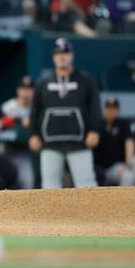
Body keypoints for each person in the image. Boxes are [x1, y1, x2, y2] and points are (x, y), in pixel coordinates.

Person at [29, 38, 101, 189]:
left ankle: (93, 213)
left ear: (72, 55)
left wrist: (94, 130)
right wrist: (33, 134)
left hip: (80, 142)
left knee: (87, 185)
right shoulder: (43, 82)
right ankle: (50, 214)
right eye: (59, 53)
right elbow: (35, 109)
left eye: (66, 53)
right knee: (49, 186)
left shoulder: (85, 80)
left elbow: (95, 107)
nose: (62, 57)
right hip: (49, 143)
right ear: (53, 57)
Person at [0, 75, 36, 190]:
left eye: (29, 89)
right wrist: (19, 120)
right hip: (6, 150)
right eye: (23, 89)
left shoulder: (37, 108)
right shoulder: (8, 106)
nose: (26, 92)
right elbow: (1, 123)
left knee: (27, 183)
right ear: (18, 90)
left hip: (26, 152)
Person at [93, 95, 135, 186]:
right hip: (97, 168)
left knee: (128, 176)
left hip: (116, 168)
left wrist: (127, 165)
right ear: (104, 109)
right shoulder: (97, 124)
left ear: (118, 110)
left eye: (113, 108)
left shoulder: (123, 124)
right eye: (108, 108)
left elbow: (130, 143)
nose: (110, 111)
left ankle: (125, 201)